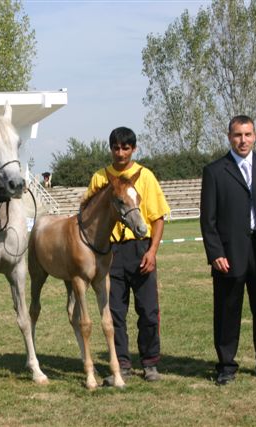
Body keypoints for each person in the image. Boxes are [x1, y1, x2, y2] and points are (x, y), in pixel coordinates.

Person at [200, 115, 256, 386]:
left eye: (248, 134)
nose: (243, 140)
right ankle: (226, 366)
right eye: (238, 135)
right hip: (229, 254)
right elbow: (208, 219)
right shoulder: (215, 171)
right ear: (229, 137)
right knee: (227, 312)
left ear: (255, 136)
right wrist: (215, 253)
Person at [84, 127, 169, 385]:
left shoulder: (146, 176)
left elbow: (158, 217)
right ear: (110, 149)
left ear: (134, 149)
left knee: (148, 310)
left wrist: (152, 251)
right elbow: (86, 217)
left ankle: (150, 362)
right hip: (109, 252)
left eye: (125, 148)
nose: (120, 153)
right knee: (115, 312)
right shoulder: (100, 178)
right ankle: (121, 363)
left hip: (140, 249)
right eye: (116, 148)